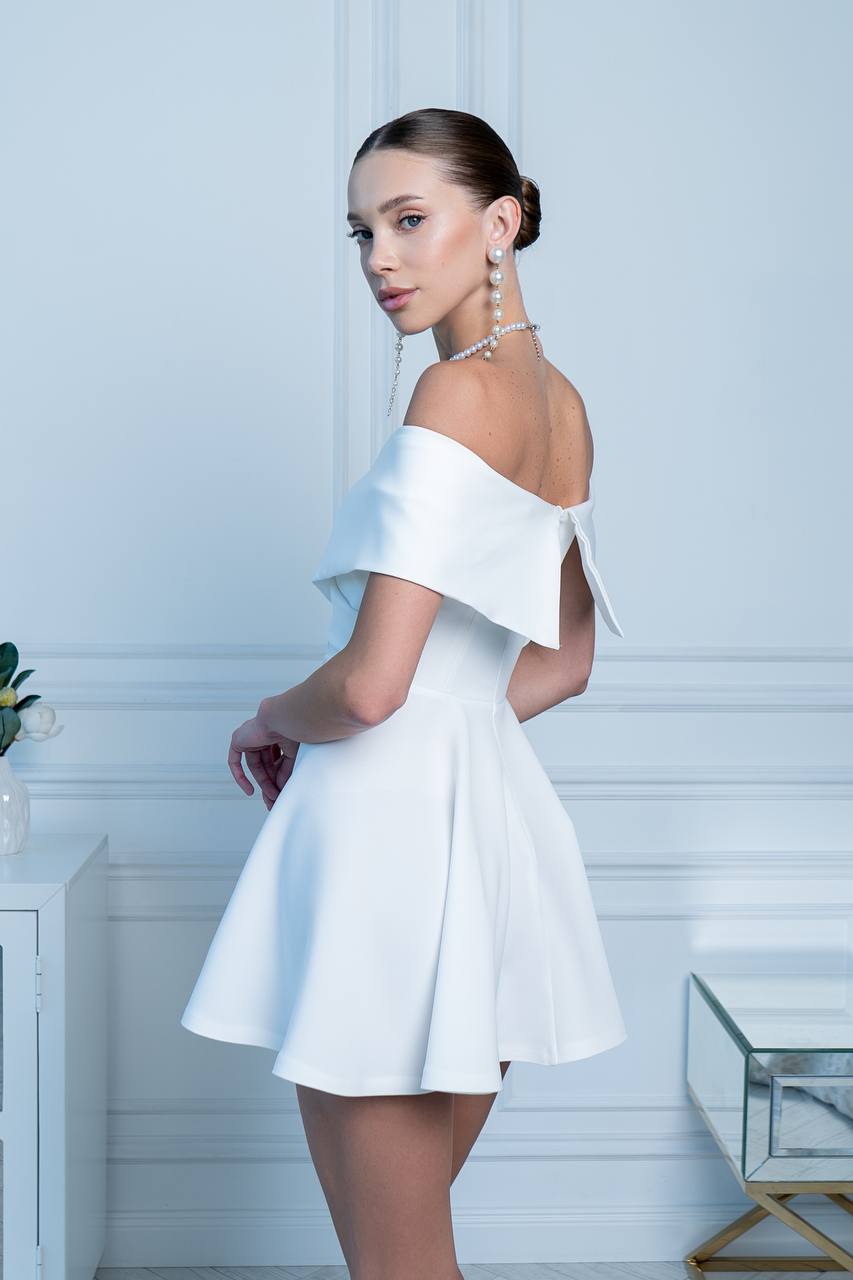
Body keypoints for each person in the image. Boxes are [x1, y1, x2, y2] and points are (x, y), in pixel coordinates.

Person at [180, 106, 627, 1280]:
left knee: (396, 1266)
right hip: (487, 852)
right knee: (408, 1252)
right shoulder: (563, 403)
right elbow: (566, 660)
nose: (379, 255)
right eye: (361, 230)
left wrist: (270, 716)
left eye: (409, 219)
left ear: (500, 221)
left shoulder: (452, 399)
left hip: (386, 859)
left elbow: (372, 685)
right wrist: (457, 723)